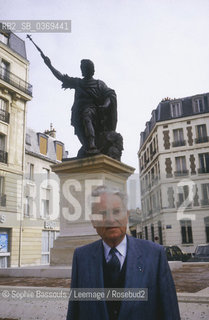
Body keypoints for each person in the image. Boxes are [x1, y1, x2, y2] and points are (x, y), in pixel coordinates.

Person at [66, 186, 181, 320]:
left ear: (127, 215)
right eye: (103, 213)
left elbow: (170, 312)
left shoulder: (155, 255)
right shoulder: (81, 257)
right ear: (93, 221)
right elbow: (74, 311)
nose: (110, 219)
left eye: (116, 211)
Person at [43, 57, 117, 156]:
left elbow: (110, 94)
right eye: (82, 68)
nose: (82, 70)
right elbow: (62, 77)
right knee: (79, 129)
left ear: (91, 70)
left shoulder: (99, 84)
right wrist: (49, 65)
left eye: (84, 68)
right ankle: (87, 145)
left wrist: (105, 105)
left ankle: (92, 145)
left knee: (87, 116)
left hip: (94, 111)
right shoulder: (78, 82)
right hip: (78, 112)